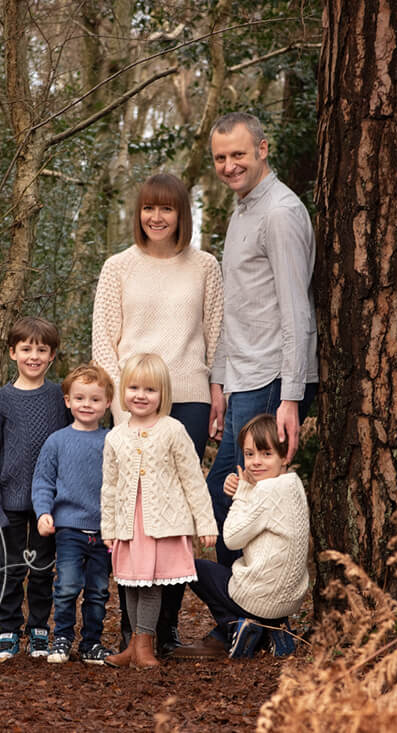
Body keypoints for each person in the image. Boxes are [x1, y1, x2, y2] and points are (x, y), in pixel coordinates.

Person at [92, 171, 223, 654]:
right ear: (139, 213)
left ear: (181, 214)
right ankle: (132, 635)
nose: (157, 216)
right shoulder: (118, 267)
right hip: (134, 403)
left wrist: (218, 390)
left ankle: (164, 631)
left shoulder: (205, 265)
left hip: (188, 397)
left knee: (173, 516)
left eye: (166, 208)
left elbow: (217, 335)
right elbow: (104, 343)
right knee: (135, 519)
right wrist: (119, 405)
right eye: (149, 208)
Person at [206, 112, 318, 566]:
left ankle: (250, 619)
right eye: (220, 158)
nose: (229, 165)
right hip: (244, 379)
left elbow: (296, 309)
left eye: (238, 154)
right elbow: (240, 307)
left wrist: (290, 398)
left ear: (262, 150)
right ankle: (239, 617)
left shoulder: (279, 212)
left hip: (272, 379)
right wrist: (220, 382)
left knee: (241, 501)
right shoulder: (244, 209)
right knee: (226, 496)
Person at [100, 353, 218, 670]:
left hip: (162, 523)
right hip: (129, 525)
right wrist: (108, 528)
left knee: (151, 584)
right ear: (123, 390)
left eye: (150, 390)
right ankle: (132, 647)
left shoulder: (173, 430)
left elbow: (193, 479)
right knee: (132, 583)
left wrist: (205, 522)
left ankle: (144, 645)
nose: (141, 395)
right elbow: (109, 487)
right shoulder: (115, 436)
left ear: (162, 395)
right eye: (134, 388)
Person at [173, 414, 309, 660]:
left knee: (191, 568)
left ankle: (235, 624)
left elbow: (232, 538)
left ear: (285, 456)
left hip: (261, 597)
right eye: (249, 454)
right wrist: (247, 491)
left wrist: (242, 493)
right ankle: (274, 631)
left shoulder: (266, 490)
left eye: (266, 454)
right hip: (290, 600)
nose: (256, 462)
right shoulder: (293, 484)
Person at [0, 316, 69, 662]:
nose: (34, 355)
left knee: (44, 570)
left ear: (52, 355)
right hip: (10, 503)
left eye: (41, 349)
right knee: (12, 570)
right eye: (26, 348)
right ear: (12, 352)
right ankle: (7, 631)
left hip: (48, 505)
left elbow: (70, 445)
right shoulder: (0, 401)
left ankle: (39, 630)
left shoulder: (59, 398)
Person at [31, 363, 115, 666]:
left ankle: (92, 642)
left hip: (105, 531)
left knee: (98, 591)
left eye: (95, 399)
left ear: (107, 403)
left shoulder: (112, 441)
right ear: (68, 400)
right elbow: (42, 481)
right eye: (80, 398)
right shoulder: (57, 441)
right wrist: (43, 513)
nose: (87, 405)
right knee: (66, 587)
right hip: (68, 528)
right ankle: (62, 639)